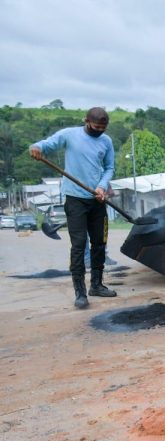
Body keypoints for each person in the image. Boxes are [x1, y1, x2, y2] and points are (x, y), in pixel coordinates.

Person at [30, 107, 117, 310]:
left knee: (99, 243)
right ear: (86, 121)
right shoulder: (69, 135)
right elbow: (47, 144)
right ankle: (80, 292)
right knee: (79, 245)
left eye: (103, 128)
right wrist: (36, 146)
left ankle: (97, 285)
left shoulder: (106, 141)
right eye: (96, 127)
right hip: (75, 200)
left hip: (97, 199)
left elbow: (109, 168)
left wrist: (102, 186)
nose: (99, 131)